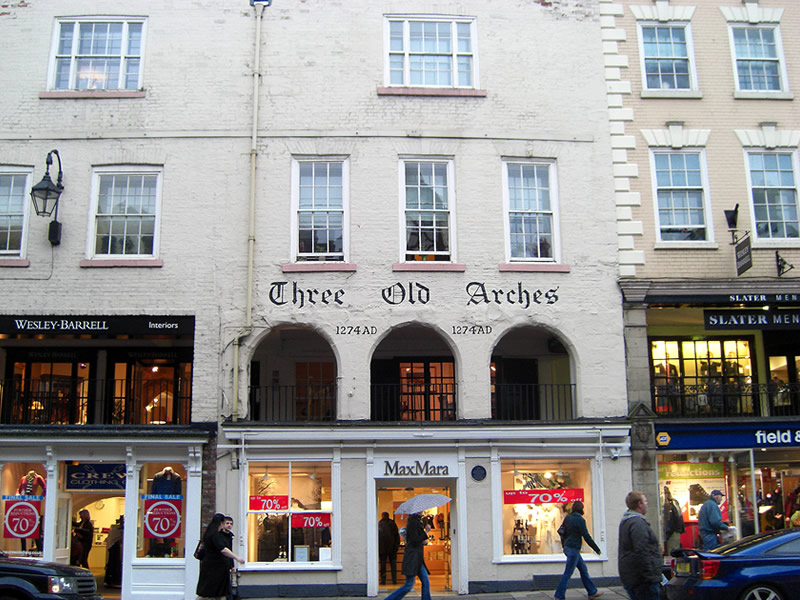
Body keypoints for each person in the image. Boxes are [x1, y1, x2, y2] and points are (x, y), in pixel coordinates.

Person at [554, 501, 603, 600]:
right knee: (567, 573)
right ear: (581, 509)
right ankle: (559, 595)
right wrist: (597, 549)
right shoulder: (580, 520)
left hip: (568, 548)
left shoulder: (568, 518)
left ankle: (592, 592)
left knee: (583, 570)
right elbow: (586, 536)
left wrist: (564, 546)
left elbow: (562, 532)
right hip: (574, 549)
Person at [618, 491, 662, 600]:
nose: (647, 504)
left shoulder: (627, 521)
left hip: (633, 577)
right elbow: (642, 551)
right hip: (642, 580)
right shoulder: (638, 524)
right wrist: (650, 575)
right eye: (645, 501)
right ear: (639, 504)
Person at [196, 513, 245, 600]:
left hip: (209, 566)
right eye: (225, 523)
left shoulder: (208, 533)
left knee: (212, 591)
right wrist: (237, 558)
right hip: (215, 568)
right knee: (214, 592)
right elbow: (223, 549)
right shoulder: (215, 535)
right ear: (221, 523)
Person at [384, 512, 430, 600]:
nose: (422, 511)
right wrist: (426, 532)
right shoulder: (413, 522)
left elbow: (415, 539)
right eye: (421, 509)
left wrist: (423, 540)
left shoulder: (416, 521)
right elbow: (413, 540)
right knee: (409, 585)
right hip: (413, 558)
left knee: (425, 582)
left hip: (417, 558)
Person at [378, 511, 400, 585]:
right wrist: (396, 546)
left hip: (382, 548)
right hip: (392, 548)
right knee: (393, 564)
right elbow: (397, 536)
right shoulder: (392, 524)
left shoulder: (379, 524)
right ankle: (394, 580)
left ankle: (383, 580)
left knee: (383, 564)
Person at [662, 486, 685, 555]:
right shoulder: (670, 504)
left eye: (666, 493)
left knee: (673, 551)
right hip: (669, 531)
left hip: (673, 531)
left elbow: (678, 517)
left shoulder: (672, 503)